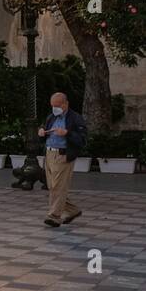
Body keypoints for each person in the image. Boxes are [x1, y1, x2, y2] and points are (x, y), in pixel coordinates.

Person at [39, 91, 87, 228]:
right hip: (49, 154)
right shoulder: (51, 117)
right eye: (53, 106)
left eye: (57, 105)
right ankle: (72, 210)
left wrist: (67, 133)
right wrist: (41, 131)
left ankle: (54, 216)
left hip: (63, 155)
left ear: (66, 104)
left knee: (58, 187)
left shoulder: (75, 118)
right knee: (52, 187)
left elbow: (82, 139)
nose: (55, 108)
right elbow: (45, 129)